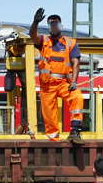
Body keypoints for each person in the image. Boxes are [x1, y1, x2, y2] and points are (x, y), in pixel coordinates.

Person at [29, 8, 84, 140]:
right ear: (48, 27)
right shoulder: (43, 42)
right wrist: (35, 22)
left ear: (61, 26)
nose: (54, 27)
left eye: (56, 24)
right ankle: (54, 141)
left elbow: (76, 63)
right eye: (51, 24)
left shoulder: (70, 43)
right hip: (47, 86)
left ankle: (75, 131)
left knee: (77, 97)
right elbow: (32, 35)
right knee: (50, 116)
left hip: (64, 84)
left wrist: (74, 82)